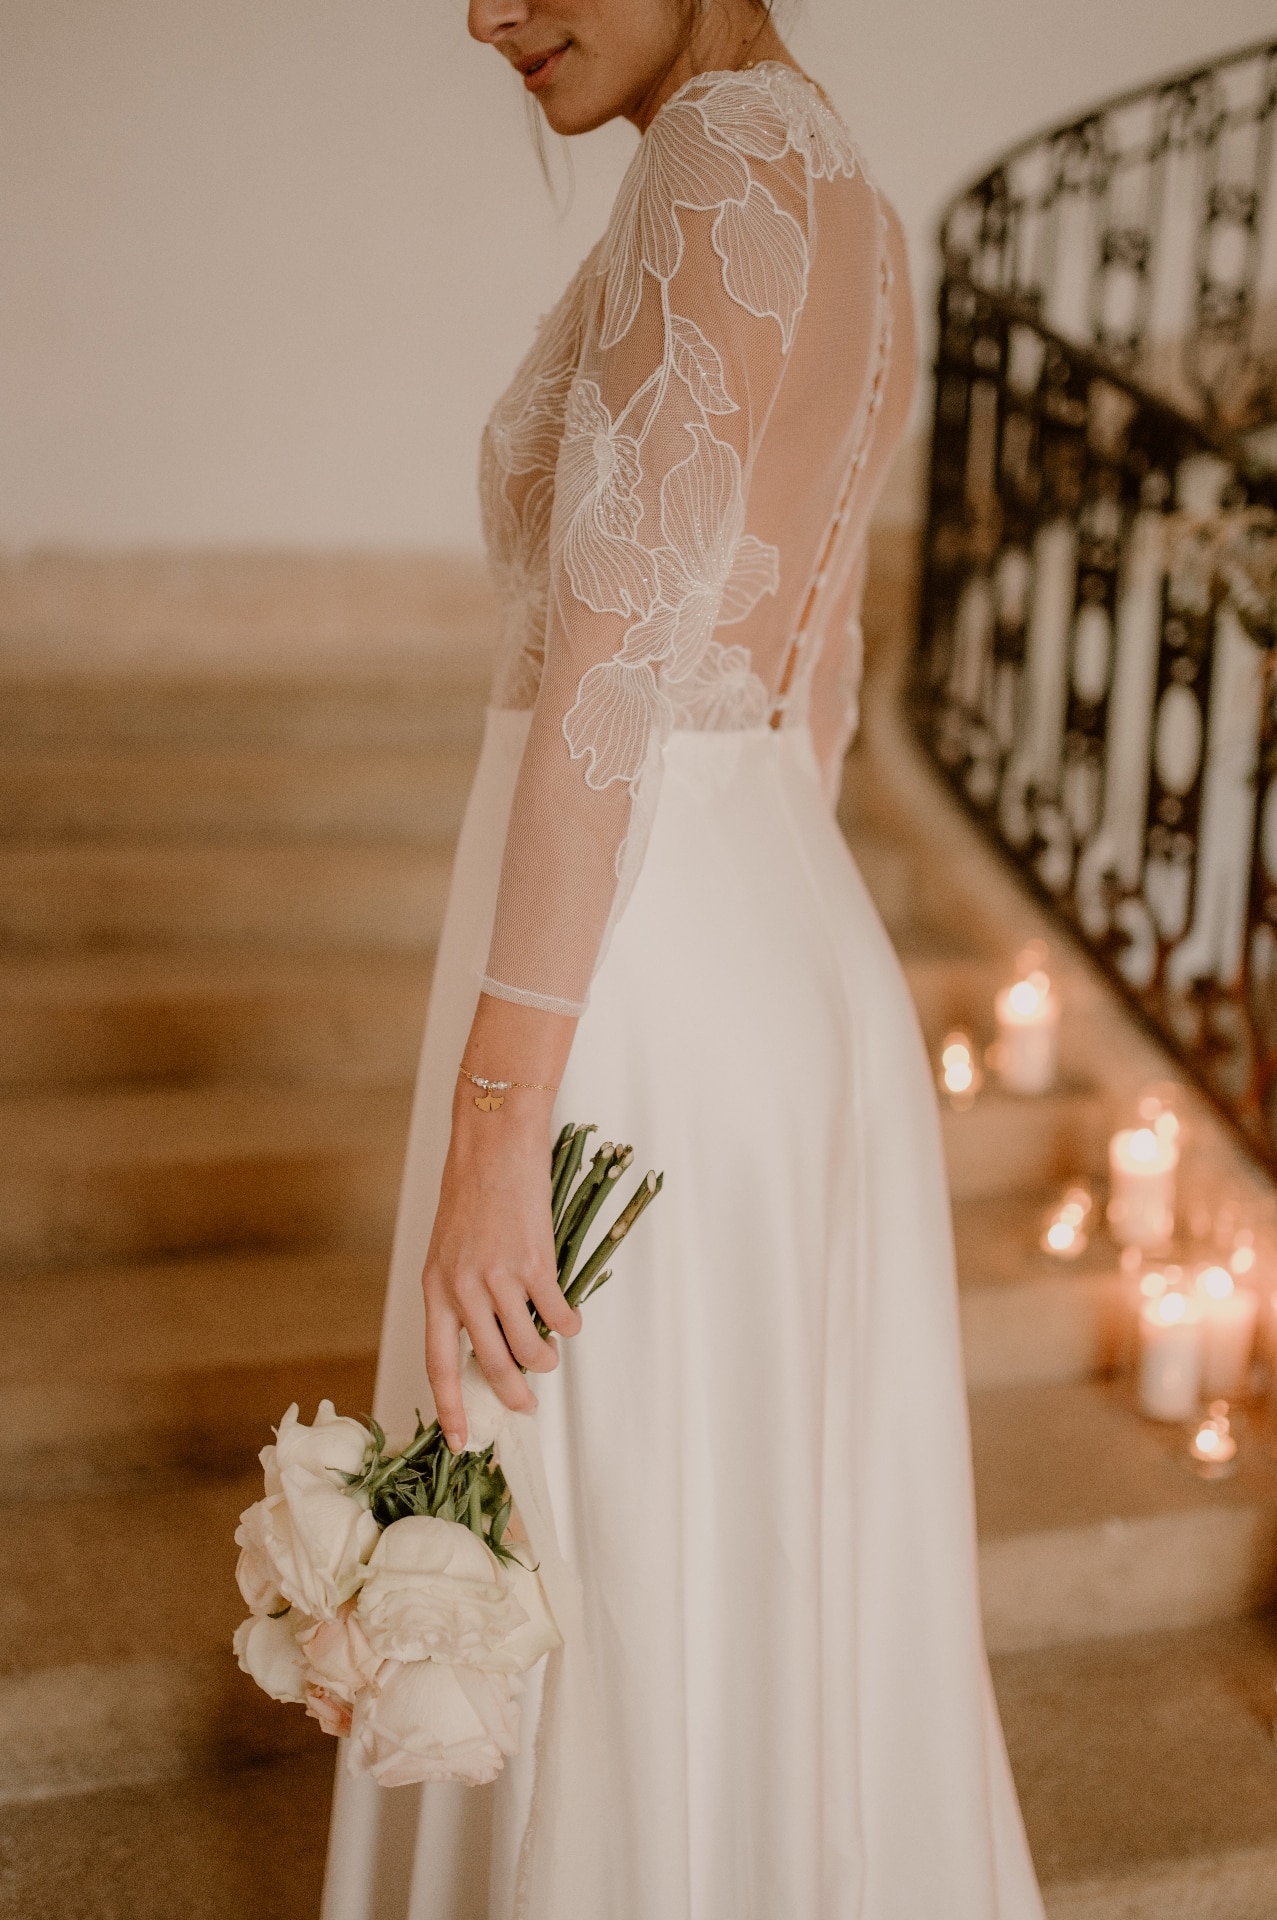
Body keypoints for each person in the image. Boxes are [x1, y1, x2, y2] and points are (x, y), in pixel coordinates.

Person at [322, 2, 1047, 1915]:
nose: (486, 11)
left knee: (626, 1575)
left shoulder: (716, 163)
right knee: (743, 1565)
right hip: (773, 939)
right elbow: (809, 687)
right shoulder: (848, 197)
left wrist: (499, 1116)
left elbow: (607, 675)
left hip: (633, 983)